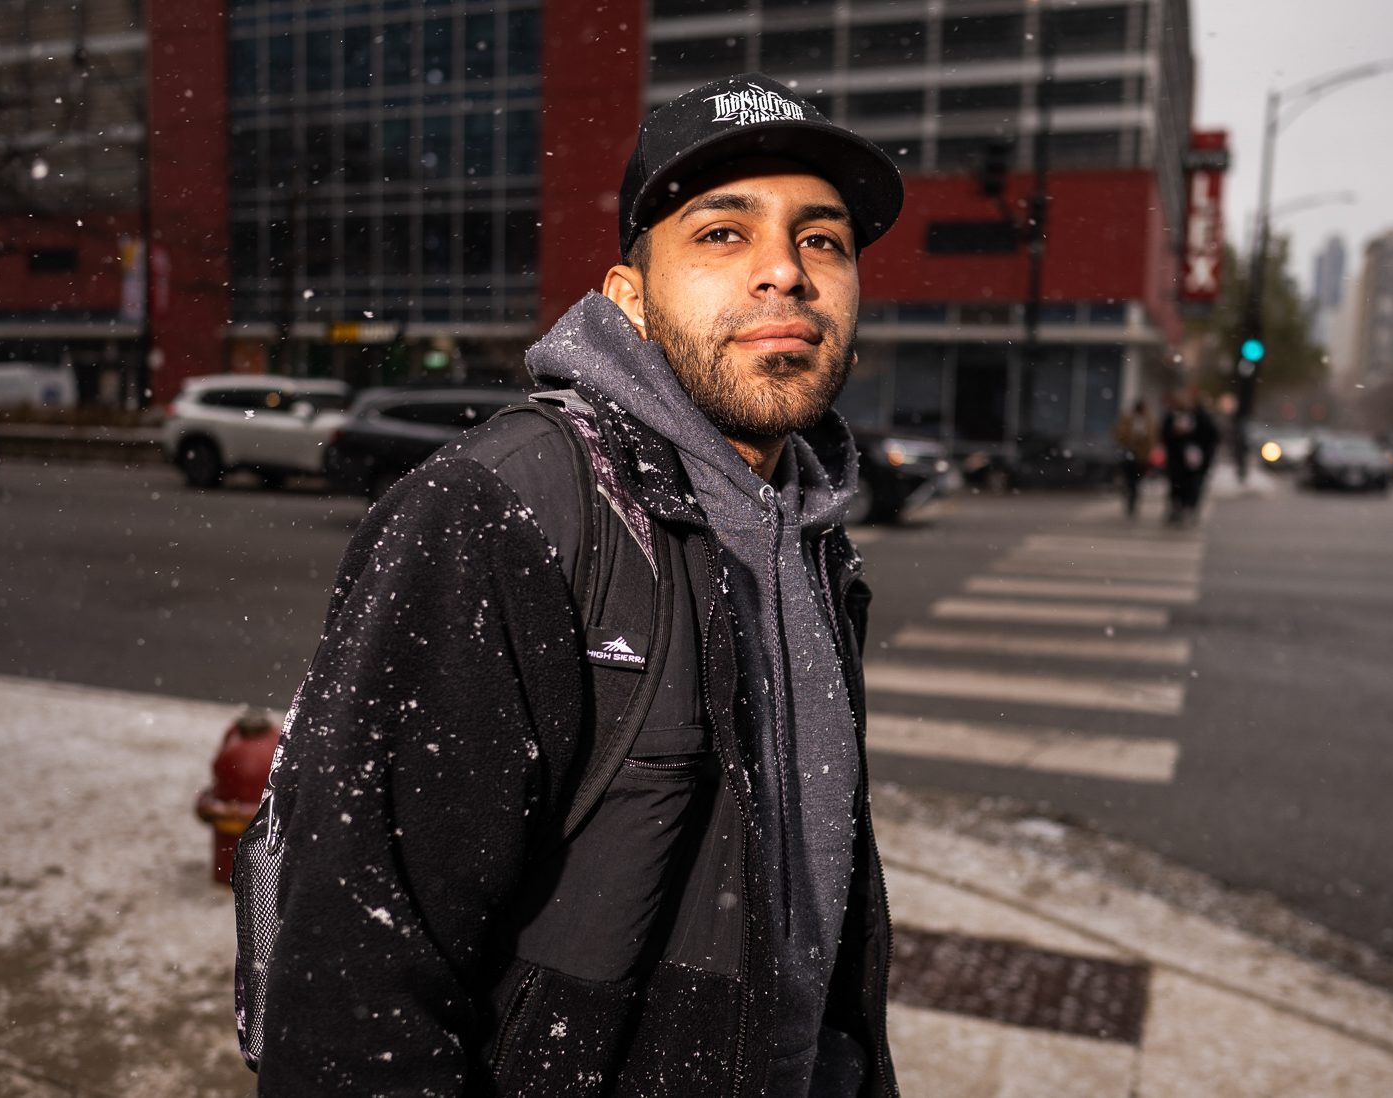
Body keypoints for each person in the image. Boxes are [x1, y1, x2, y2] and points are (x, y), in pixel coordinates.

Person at [239, 73, 904, 1097]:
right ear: (629, 300)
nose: (785, 270)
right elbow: (351, 985)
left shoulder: (812, 536)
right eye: (722, 233)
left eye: (822, 240)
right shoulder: (501, 509)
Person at [1160, 386, 1220, 524]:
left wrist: (1203, 452)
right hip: (1177, 460)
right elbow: (1165, 435)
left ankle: (1189, 507)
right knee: (1176, 485)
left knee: (1193, 486)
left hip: (1196, 461)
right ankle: (1177, 508)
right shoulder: (1173, 416)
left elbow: (1212, 436)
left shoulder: (1202, 418)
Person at [1112, 398, 1158, 518]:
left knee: (1136, 481)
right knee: (1130, 480)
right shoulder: (1128, 420)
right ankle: (1130, 498)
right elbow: (1119, 434)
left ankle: (1133, 499)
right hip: (1129, 453)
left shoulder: (1149, 421)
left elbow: (1152, 438)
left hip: (1142, 457)